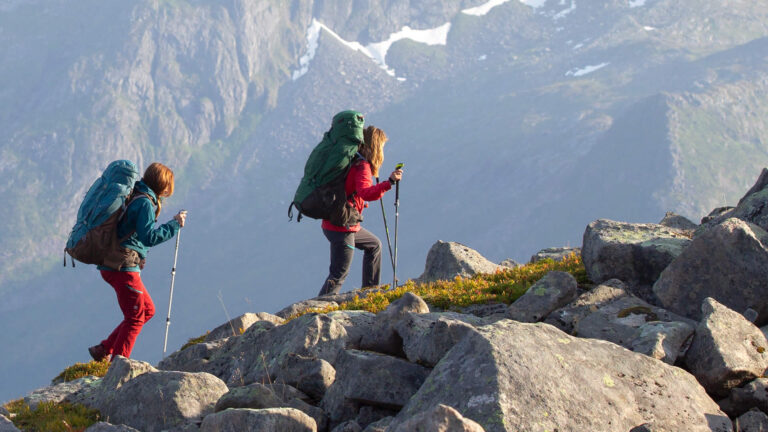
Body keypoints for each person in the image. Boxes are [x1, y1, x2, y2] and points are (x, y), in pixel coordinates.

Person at [88, 162, 187, 362]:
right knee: (135, 317)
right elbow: (148, 237)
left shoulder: (136, 195)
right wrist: (174, 225)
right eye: (168, 187)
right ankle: (118, 367)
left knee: (147, 310)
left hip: (114, 265)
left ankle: (104, 348)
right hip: (123, 268)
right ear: (162, 185)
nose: (169, 191)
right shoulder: (145, 203)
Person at [319, 125, 403, 296]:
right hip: (342, 227)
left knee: (374, 245)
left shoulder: (351, 160)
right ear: (375, 146)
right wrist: (389, 183)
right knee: (339, 274)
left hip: (337, 222)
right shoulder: (362, 166)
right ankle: (315, 311)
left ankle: (369, 294)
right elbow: (366, 193)